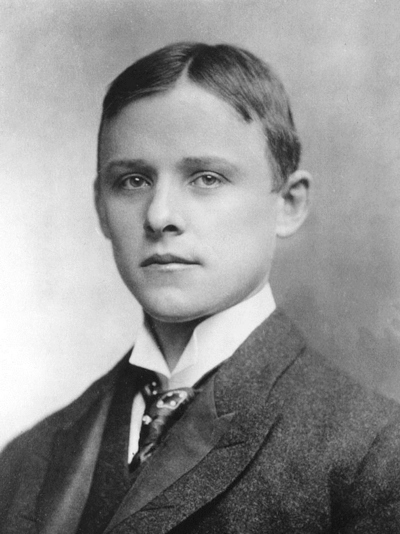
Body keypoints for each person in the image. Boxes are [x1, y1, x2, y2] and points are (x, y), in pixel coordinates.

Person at [1, 42, 400, 534]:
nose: (160, 216)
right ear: (101, 207)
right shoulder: (26, 460)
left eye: (206, 178)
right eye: (133, 181)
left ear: (288, 203)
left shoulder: (375, 453)